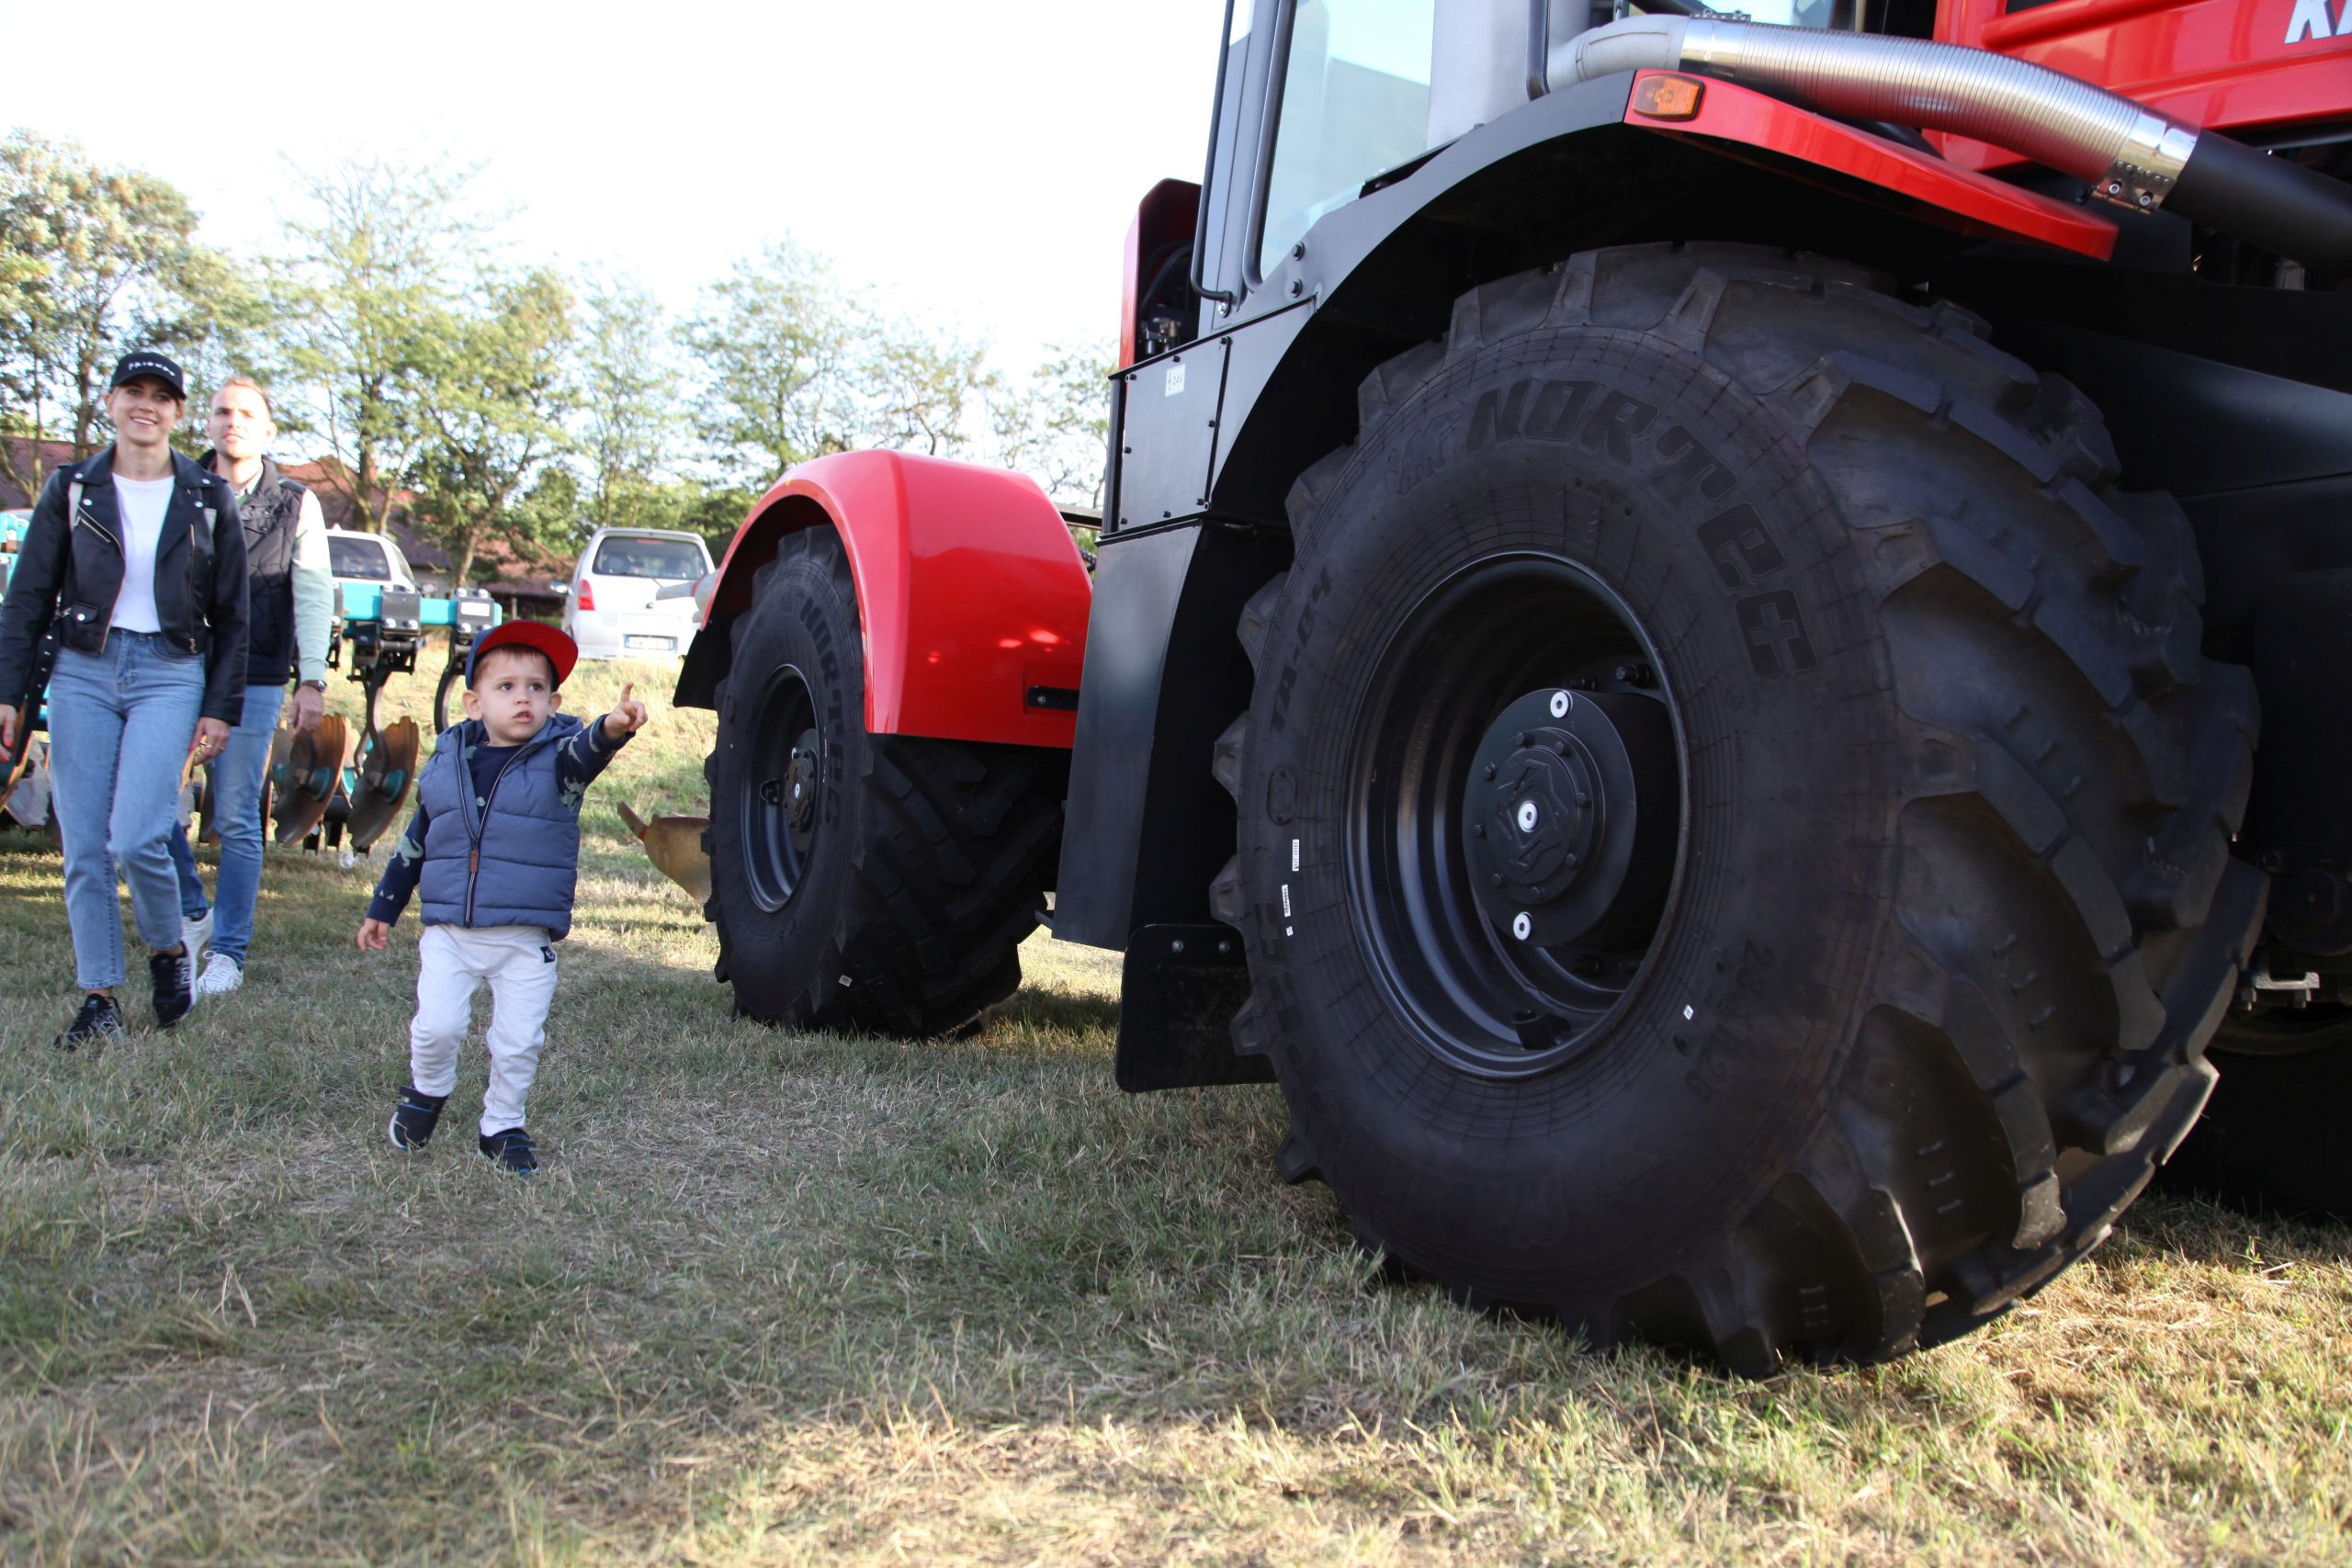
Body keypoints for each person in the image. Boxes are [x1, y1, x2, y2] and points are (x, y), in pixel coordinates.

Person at [0, 351, 249, 1048]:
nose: (146, 404)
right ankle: (100, 996)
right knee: (82, 844)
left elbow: (234, 616)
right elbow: (26, 598)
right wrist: (8, 692)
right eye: (133, 391)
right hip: (83, 669)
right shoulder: (73, 488)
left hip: (170, 671)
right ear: (110, 403)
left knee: (139, 832)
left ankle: (170, 948)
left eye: (161, 396)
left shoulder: (207, 496)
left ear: (176, 413)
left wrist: (220, 705)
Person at [356, 621, 649, 1173]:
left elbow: (590, 749)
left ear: (554, 700)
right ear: (473, 703)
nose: (523, 698)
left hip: (522, 939)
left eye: (536, 688)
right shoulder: (444, 768)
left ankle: (502, 1124)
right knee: (436, 1027)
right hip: (450, 933)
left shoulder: (562, 762)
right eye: (507, 687)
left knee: (518, 1042)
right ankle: (427, 1091)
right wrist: (383, 908)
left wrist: (612, 727)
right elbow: (417, 842)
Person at [165, 375, 334, 996]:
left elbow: (313, 592)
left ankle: (228, 952)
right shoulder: (177, 488)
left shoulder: (295, 502)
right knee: (151, 805)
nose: (231, 421)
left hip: (256, 675)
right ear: (206, 424)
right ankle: (193, 910)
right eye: (220, 412)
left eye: (245, 413)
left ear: (266, 430)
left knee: (236, 816)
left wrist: (310, 677)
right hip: (175, 667)